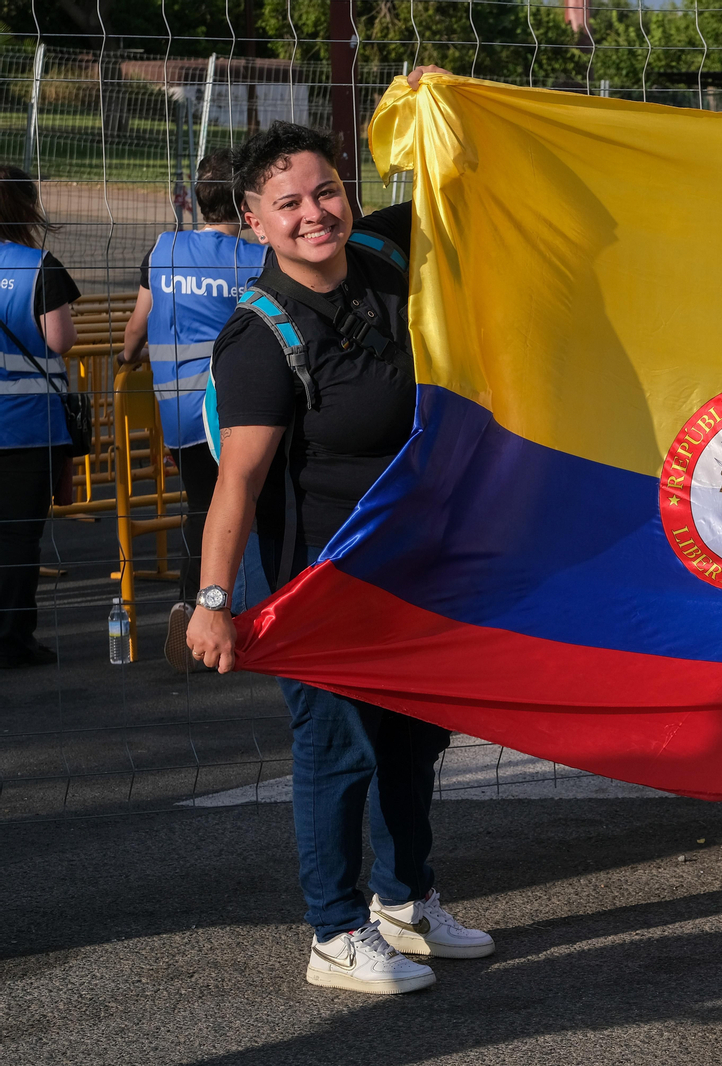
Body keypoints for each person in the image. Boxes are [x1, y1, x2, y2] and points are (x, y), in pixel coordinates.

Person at [188, 69, 494, 997]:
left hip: (411, 561)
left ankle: (409, 898)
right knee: (337, 748)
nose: (314, 212)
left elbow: (472, 182)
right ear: (255, 223)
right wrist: (212, 604)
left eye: (326, 190)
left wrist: (440, 100)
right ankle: (334, 931)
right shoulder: (260, 338)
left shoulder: (383, 255)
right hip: (316, 579)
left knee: (414, 737)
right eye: (288, 204)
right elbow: (234, 486)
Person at [120, 148, 267, 671]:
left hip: (176, 413)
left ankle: (197, 604)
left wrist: (126, 357)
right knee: (243, 507)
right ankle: (216, 609)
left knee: (205, 507)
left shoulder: (164, 250)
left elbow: (138, 325)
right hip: (235, 409)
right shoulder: (257, 260)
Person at [0, 165, 78, 669]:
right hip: (27, 427)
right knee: (17, 537)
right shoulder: (36, 266)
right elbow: (61, 341)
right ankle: (11, 636)